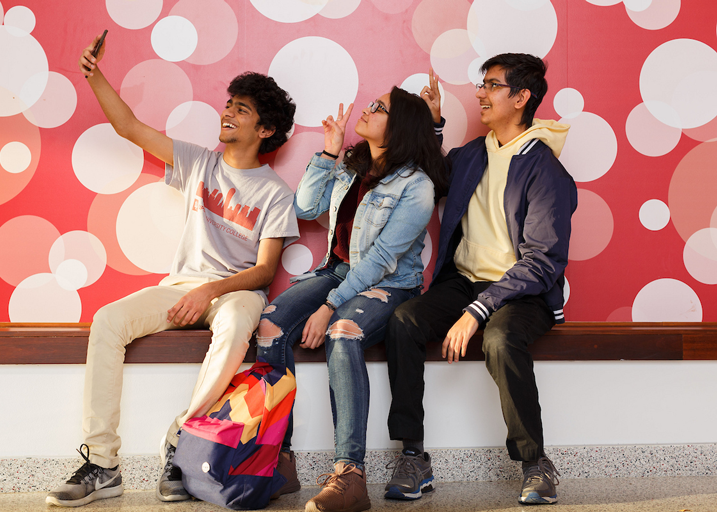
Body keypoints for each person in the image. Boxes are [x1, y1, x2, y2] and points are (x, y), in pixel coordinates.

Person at [46, 34, 299, 507]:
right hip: (181, 285)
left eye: (241, 110)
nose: (228, 112)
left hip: (235, 292)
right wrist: (94, 76)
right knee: (107, 321)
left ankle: (181, 445)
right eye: (229, 104)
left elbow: (265, 271)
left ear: (265, 130)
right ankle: (102, 463)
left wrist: (210, 293)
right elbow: (129, 127)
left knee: (236, 326)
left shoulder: (275, 193)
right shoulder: (198, 163)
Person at [383, 54, 577, 505]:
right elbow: (435, 179)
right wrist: (433, 125)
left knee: (500, 338)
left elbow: (543, 262)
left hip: (521, 292)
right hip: (463, 281)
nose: (479, 93)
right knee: (404, 320)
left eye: (491, 85)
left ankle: (535, 464)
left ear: (522, 97)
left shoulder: (547, 170)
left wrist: (479, 310)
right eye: (480, 84)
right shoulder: (473, 153)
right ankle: (413, 456)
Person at [255, 87, 446, 512]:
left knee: (344, 330)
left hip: (391, 283)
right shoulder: (353, 166)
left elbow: (380, 259)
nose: (369, 108)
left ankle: (350, 475)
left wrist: (328, 307)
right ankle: (279, 461)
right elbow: (305, 208)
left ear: (400, 127)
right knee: (270, 323)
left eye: (380, 108)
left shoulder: (416, 186)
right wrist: (328, 152)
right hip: (337, 270)